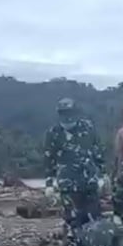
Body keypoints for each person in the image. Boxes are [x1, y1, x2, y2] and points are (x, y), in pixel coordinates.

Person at [44, 98, 104, 233]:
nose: (68, 117)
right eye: (64, 113)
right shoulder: (53, 132)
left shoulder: (88, 127)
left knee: (94, 219)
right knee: (73, 220)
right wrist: (49, 183)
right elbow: (49, 158)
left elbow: (97, 151)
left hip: (89, 181)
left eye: (70, 113)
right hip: (68, 184)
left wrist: (102, 174)